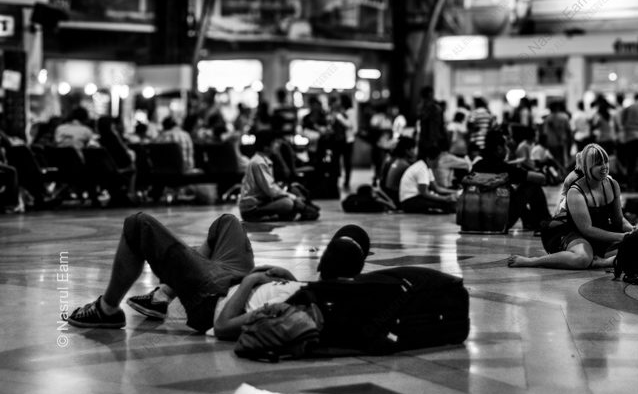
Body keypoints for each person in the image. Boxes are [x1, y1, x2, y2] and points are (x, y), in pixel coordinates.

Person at [66, 212, 365, 338]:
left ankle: (107, 310)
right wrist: (284, 276)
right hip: (232, 278)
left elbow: (223, 327)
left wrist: (249, 283)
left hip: (214, 298)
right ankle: (163, 294)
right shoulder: (317, 291)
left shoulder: (303, 315)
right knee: (228, 222)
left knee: (138, 224)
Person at [508, 144, 632, 269]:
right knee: (582, 258)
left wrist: (633, 230)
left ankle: (603, 261)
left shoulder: (612, 184)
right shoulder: (576, 191)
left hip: (598, 233)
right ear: (587, 166)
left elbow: (618, 220)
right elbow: (587, 229)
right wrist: (622, 237)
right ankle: (533, 261)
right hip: (568, 231)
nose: (604, 167)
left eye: (606, 161)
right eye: (598, 163)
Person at [472, 130, 550, 231]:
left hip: (477, 219)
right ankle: (544, 221)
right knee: (532, 185)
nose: (507, 149)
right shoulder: (505, 168)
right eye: (505, 146)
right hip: (500, 220)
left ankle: (530, 221)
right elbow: (541, 178)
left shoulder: (477, 166)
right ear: (499, 148)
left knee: (511, 192)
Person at [238, 130, 319, 222]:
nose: (277, 145)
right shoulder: (259, 162)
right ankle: (260, 216)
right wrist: (293, 197)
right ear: (266, 147)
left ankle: (298, 209)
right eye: (275, 143)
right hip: (252, 207)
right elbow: (271, 190)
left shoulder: (265, 160)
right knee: (288, 203)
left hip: (262, 201)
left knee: (293, 191)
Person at [398, 145, 458, 214]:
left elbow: (437, 188)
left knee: (448, 205)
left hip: (416, 198)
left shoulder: (427, 168)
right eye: (437, 159)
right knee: (445, 207)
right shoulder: (421, 169)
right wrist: (445, 198)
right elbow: (425, 193)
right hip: (409, 201)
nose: (438, 162)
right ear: (429, 159)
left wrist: (454, 192)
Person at [380, 136, 416, 206]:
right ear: (407, 150)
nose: (414, 151)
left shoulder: (395, 160)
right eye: (413, 149)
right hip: (395, 196)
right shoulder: (404, 164)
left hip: (388, 192)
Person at [417, 86, 447, 155]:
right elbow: (440, 124)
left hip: (427, 138)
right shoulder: (434, 107)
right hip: (432, 138)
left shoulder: (422, 106)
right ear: (430, 94)